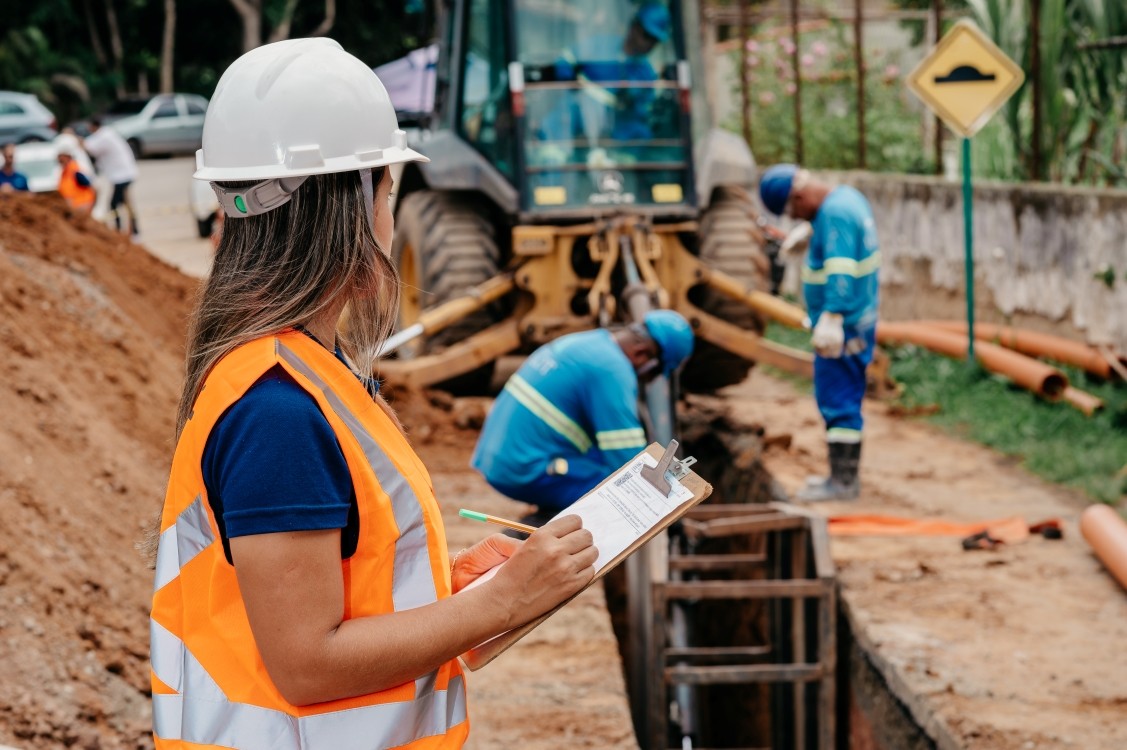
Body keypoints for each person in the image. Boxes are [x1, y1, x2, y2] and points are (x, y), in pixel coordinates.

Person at [148, 38, 598, 748]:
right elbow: (306, 663)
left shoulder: (307, 376)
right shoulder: (276, 410)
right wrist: (504, 602)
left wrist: (453, 591)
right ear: (355, 201)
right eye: (390, 187)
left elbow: (334, 590)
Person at [471, 310, 694, 527]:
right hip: (521, 468)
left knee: (606, 467)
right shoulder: (612, 371)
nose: (646, 381)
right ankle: (538, 532)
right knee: (621, 490)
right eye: (652, 374)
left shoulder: (590, 342)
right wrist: (666, 509)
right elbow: (628, 460)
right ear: (642, 354)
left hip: (495, 457)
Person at [758, 164, 880, 502]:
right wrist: (815, 233)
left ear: (799, 196)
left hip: (845, 325)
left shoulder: (836, 213)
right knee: (841, 397)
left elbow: (842, 269)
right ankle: (841, 479)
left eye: (793, 211)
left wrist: (833, 316)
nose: (796, 216)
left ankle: (842, 483)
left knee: (838, 400)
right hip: (856, 318)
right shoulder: (844, 199)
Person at [537, 1, 672, 148]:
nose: (648, 44)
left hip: (607, 141)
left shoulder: (646, 75)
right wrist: (570, 78)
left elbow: (639, 119)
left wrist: (630, 107)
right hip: (567, 129)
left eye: (654, 41)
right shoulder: (600, 44)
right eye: (647, 36)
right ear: (634, 26)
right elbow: (565, 59)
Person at [81, 117, 139, 236]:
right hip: (124, 174)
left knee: (114, 204)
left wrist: (76, 140)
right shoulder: (106, 134)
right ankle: (133, 230)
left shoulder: (104, 136)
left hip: (122, 175)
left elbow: (90, 147)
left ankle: (121, 230)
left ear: (93, 126)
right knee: (125, 203)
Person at [55, 135, 96, 212]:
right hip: (74, 208)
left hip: (81, 207)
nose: (59, 159)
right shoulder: (64, 171)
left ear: (67, 156)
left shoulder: (76, 170)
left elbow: (90, 186)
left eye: (61, 156)